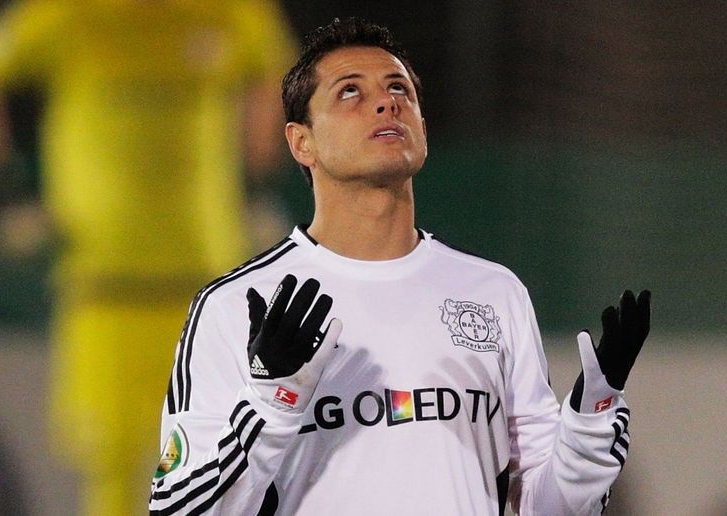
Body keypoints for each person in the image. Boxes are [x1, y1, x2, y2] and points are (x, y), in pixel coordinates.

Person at [150, 17, 651, 515]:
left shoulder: (493, 293)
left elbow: (547, 509)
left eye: (400, 90)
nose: (387, 103)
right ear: (302, 142)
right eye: (350, 92)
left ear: (422, 129)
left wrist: (591, 419)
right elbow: (179, 509)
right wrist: (272, 401)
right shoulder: (237, 305)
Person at [0, 1, 296, 514]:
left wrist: (258, 185)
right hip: (104, 285)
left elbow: (283, 78)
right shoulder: (69, 12)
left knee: (225, 468)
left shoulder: (229, 11)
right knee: (112, 471)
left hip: (206, 289)